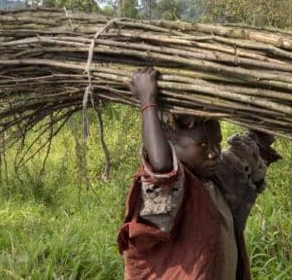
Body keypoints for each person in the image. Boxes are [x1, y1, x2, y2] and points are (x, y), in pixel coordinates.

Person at [118, 67, 280, 280]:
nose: (213, 153)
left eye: (217, 143)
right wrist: (147, 100)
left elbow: (257, 143)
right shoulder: (172, 190)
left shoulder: (216, 179)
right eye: (203, 145)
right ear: (170, 144)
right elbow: (160, 166)